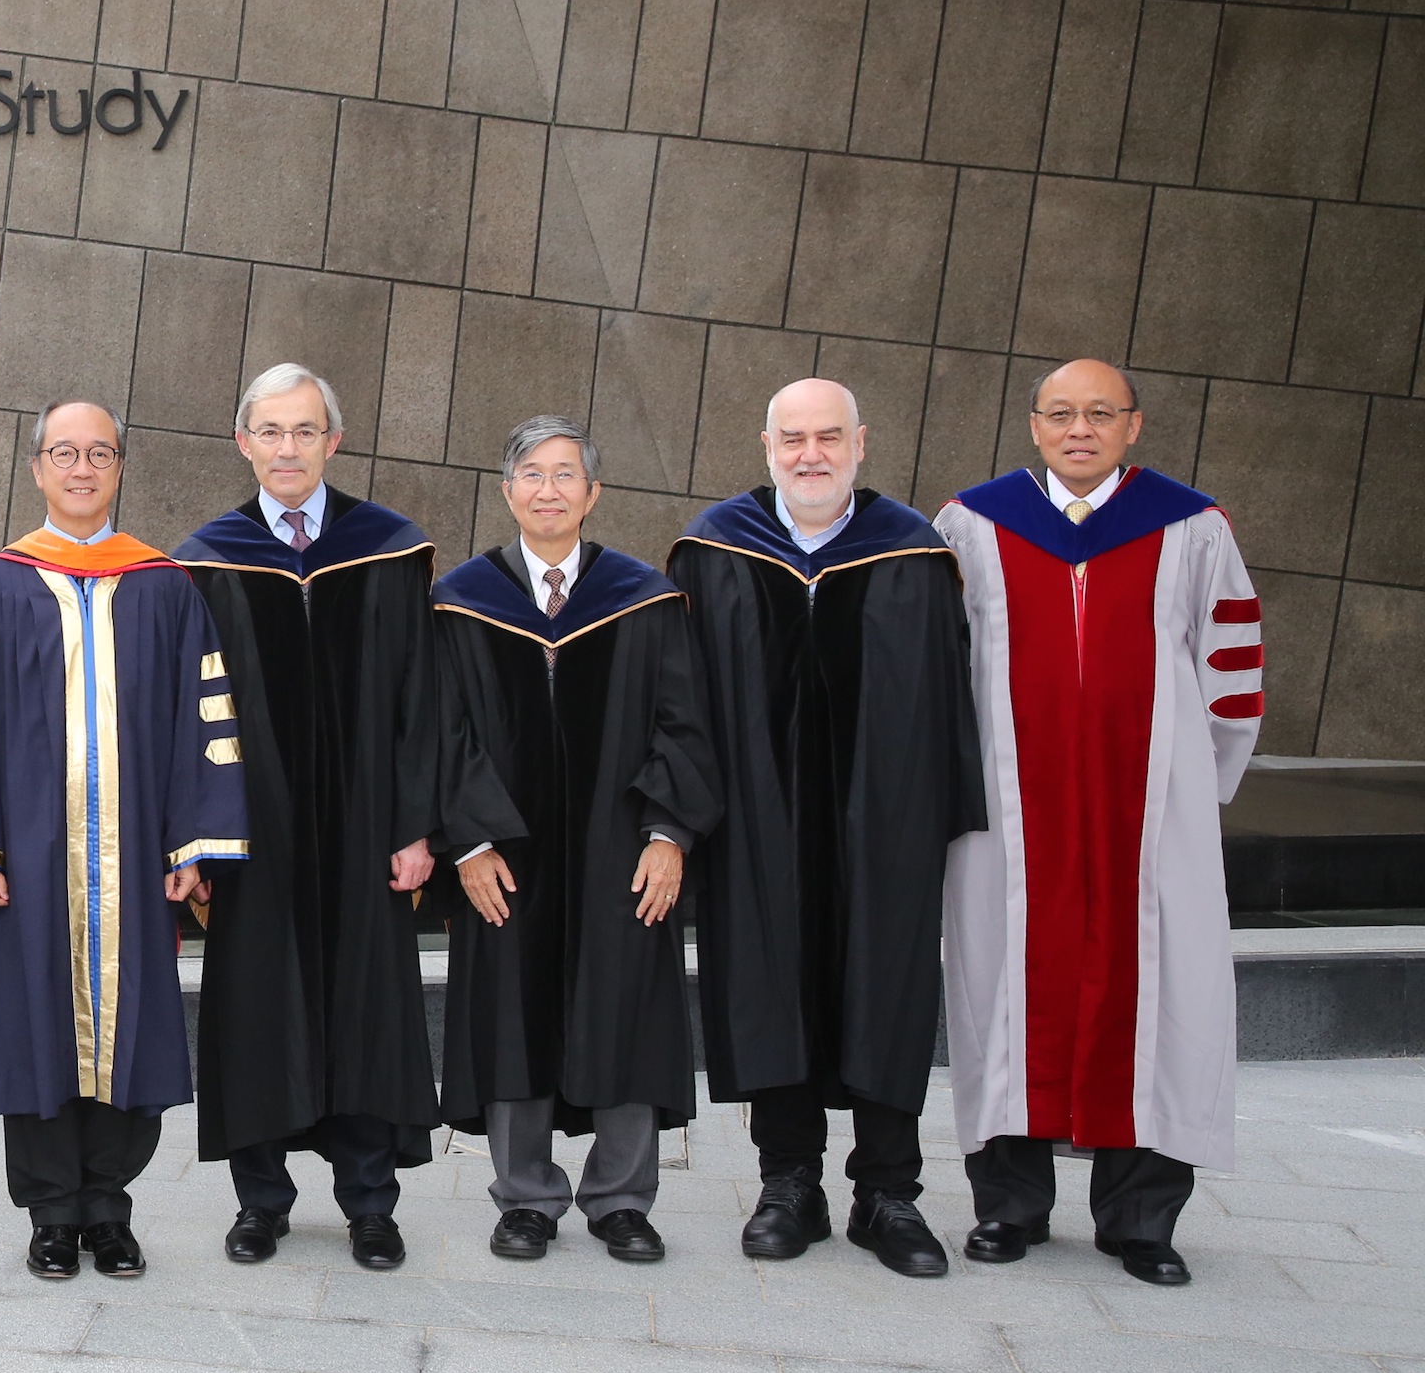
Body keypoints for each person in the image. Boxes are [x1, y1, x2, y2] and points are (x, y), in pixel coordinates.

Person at [934, 359, 1261, 1287]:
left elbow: (1232, 669)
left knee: (1161, 989)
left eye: (1100, 414)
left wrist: (1197, 789)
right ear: (1035, 426)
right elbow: (936, 663)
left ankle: (1141, 1216)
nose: (1080, 428)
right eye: (1062, 414)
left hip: (1149, 811)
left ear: (1133, 426)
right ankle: (1008, 1204)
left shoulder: (1193, 528)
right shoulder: (972, 524)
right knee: (1003, 982)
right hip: (1008, 812)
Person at [0, 401, 246, 1282]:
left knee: (132, 1026)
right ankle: (51, 1215)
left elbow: (202, 723)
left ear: (120, 467)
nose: (82, 466)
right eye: (65, 451)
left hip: (136, 860)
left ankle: (110, 1208)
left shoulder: (166, 586)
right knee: (35, 1026)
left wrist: (194, 845)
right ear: (36, 468)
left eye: (99, 451)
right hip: (28, 856)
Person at [672, 380, 982, 1278]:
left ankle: (887, 1192)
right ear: (765, 444)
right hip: (758, 820)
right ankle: (789, 1183)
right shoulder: (714, 546)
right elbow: (679, 697)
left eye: (829, 437)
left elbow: (947, 696)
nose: (812, 454)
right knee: (772, 981)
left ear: (861, 441)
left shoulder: (915, 551)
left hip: (882, 823)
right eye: (794, 438)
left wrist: (940, 815)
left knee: (885, 984)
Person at [436, 416, 720, 1266]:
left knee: (626, 1006)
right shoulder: (459, 600)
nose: (549, 488)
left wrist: (669, 832)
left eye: (566, 474)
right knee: (512, 1012)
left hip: (620, 848)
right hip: (506, 853)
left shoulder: (647, 598)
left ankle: (622, 1199)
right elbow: (439, 732)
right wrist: (469, 841)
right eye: (532, 473)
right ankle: (525, 1198)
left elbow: (687, 727)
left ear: (593, 494)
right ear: (507, 489)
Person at [175, 364, 438, 1272]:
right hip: (255, 830)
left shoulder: (392, 549)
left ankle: (370, 1203)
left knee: (365, 1003)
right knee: (257, 1004)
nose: (288, 448)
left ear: (334, 440)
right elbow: (187, 709)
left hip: (366, 827)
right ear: (243, 442)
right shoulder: (205, 560)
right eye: (271, 431)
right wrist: (197, 835)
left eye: (305, 430)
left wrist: (415, 825)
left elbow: (419, 695)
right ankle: (261, 1201)